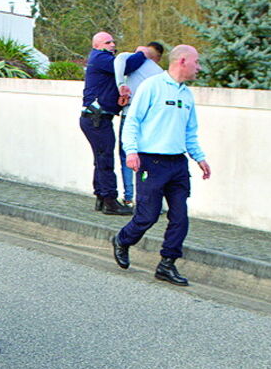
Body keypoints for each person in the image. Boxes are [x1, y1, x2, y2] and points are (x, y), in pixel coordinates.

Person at [110, 45, 211, 287]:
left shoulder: (186, 95)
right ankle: (123, 240)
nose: (199, 67)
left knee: (180, 217)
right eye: (196, 63)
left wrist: (200, 158)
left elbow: (190, 132)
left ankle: (167, 264)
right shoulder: (152, 87)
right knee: (148, 215)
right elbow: (132, 121)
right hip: (151, 162)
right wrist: (131, 152)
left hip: (177, 163)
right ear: (183, 61)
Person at [79, 32, 146, 215]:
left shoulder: (102, 59)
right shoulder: (101, 58)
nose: (112, 44)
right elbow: (129, 65)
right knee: (105, 159)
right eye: (107, 42)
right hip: (97, 119)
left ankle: (101, 197)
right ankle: (110, 201)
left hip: (95, 118)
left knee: (101, 158)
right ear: (97, 45)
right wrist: (141, 53)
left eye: (113, 42)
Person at [114, 42, 165, 204]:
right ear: (158, 57)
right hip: (150, 119)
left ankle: (129, 197)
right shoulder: (159, 73)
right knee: (149, 158)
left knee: (126, 156)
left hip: (130, 116)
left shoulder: (130, 60)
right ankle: (149, 199)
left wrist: (120, 84)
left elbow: (119, 59)